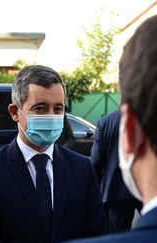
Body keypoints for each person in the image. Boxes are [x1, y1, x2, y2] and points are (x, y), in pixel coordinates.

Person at [0, 65, 106, 243]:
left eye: (58, 109)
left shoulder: (81, 167)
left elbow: (96, 233)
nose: (51, 116)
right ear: (15, 112)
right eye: (40, 108)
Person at [66, 14, 157, 243]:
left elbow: (95, 162)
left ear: (131, 131)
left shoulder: (106, 122)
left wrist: (94, 195)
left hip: (116, 191)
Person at [90, 109, 142, 233]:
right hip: (145, 186)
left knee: (117, 233)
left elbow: (95, 161)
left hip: (115, 188)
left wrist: (96, 189)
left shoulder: (105, 122)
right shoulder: (147, 117)